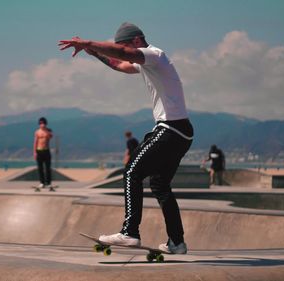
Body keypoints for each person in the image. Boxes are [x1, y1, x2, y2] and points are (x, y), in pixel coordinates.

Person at [59, 22, 194, 254]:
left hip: (170, 129)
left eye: (124, 46)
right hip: (183, 132)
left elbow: (123, 54)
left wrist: (88, 42)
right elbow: (120, 64)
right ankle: (177, 242)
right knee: (160, 185)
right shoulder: (147, 65)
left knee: (132, 171)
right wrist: (95, 53)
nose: (124, 52)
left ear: (137, 41)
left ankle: (130, 232)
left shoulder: (154, 55)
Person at [33, 117, 55, 191]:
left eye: (43, 123)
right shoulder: (37, 132)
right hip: (39, 150)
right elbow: (35, 142)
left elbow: (51, 137)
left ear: (46, 124)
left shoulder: (48, 131)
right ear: (39, 124)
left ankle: (48, 182)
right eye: (41, 123)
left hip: (46, 150)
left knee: (48, 167)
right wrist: (34, 152)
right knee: (40, 168)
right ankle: (42, 182)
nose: (42, 125)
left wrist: (48, 131)